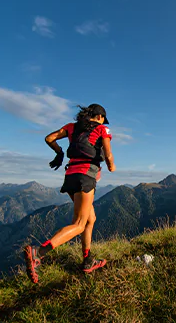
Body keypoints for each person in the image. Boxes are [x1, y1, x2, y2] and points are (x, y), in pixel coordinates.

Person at [23, 103, 116, 283]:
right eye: (103, 118)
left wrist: (59, 152)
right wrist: (111, 166)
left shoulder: (71, 127)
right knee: (80, 224)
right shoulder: (103, 129)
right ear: (99, 117)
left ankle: (87, 260)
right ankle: (38, 253)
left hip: (70, 176)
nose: (104, 121)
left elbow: (49, 138)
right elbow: (108, 154)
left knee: (90, 219)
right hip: (85, 177)